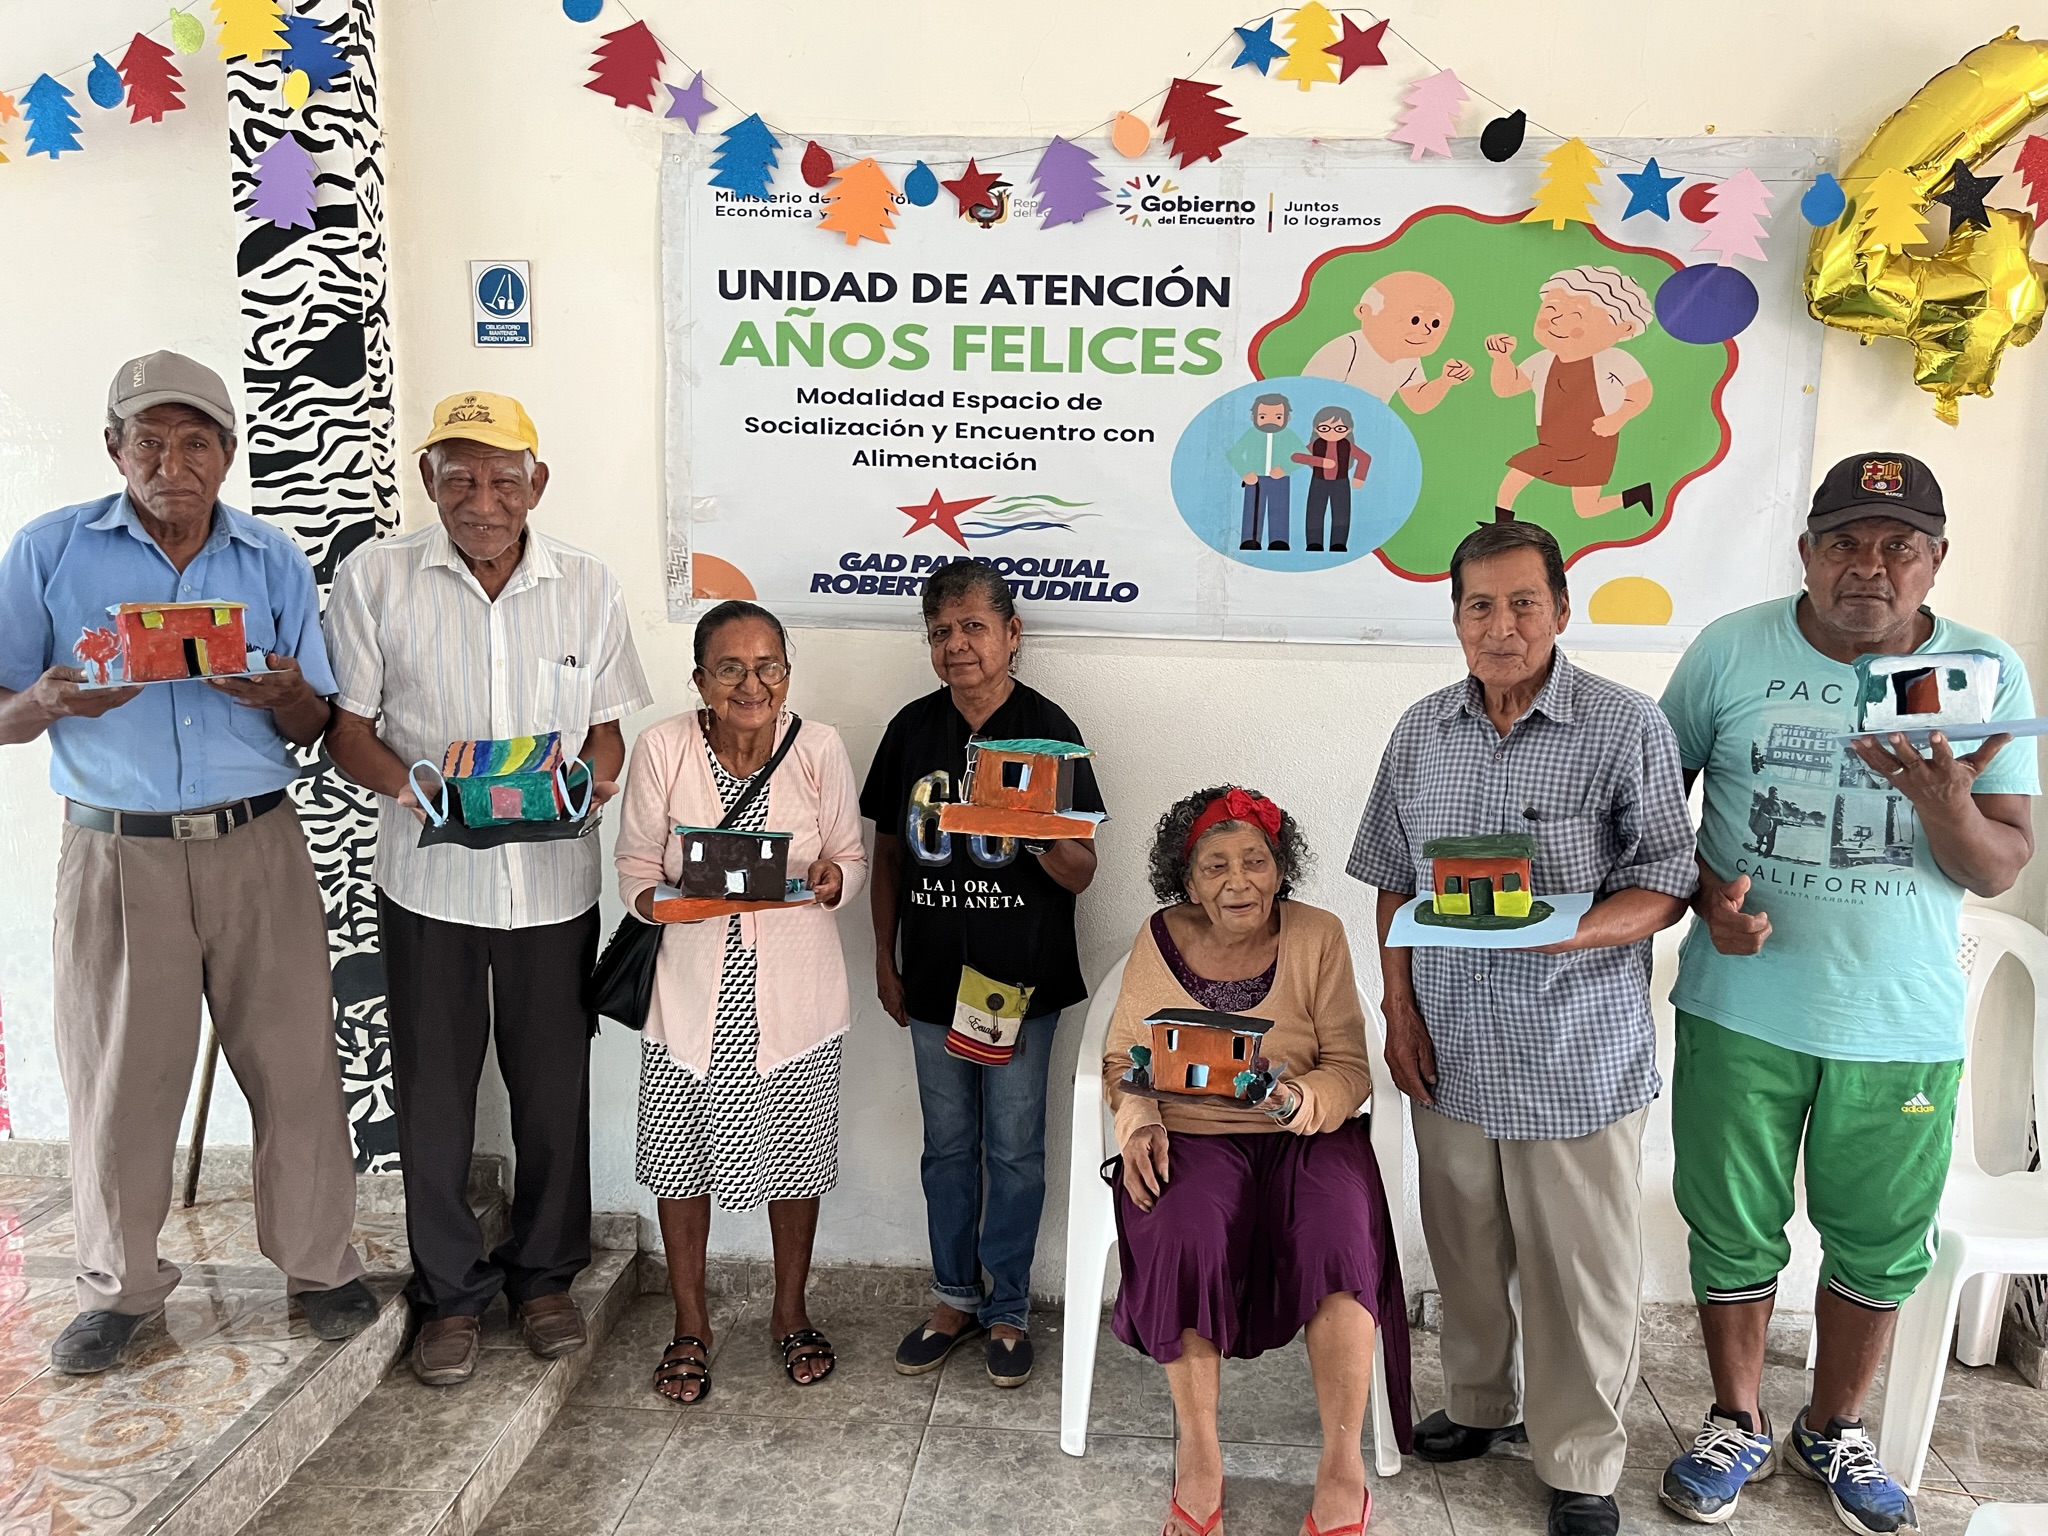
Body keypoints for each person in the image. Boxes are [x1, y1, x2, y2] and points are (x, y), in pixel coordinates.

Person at [1655, 453, 2037, 1536]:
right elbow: (1648, 813)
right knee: (1731, 1225)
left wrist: (1945, 802)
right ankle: (1734, 1419)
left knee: (1877, 1238)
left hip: (1899, 1018)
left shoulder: (1983, 671)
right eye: (1844, 543)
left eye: (1896, 547)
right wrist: (1705, 900)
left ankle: (1833, 1428)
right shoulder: (1729, 651)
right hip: (1739, 1004)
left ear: (1935, 560)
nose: (1868, 566)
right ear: (1806, 553)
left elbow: (1999, 864)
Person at [0, 351, 374, 1373]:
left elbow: (317, 721)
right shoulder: (48, 551)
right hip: (118, 852)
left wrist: (286, 696)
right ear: (113, 448)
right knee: (120, 1081)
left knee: (296, 1066)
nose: (174, 462)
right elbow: (4, 711)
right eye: (151, 441)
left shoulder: (269, 558)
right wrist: (45, 701)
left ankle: (321, 1266)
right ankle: (118, 1290)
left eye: (196, 441)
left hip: (258, 842)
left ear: (227, 453)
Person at [1348, 521, 1696, 1536]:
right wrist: (1397, 1008)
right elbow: (1392, 879)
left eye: (1522, 604)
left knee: (1578, 1271)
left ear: (1560, 610)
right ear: (1455, 617)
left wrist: (1566, 931)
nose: (1500, 627)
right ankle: (1478, 1403)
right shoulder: (1421, 732)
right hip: (1450, 1044)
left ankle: (1580, 1461)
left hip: (1572, 1051)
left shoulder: (1624, 726)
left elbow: (1668, 880)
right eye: (1479, 606)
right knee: (1463, 1244)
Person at [324, 391, 651, 1386]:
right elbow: (349, 733)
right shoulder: (375, 578)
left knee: (551, 1094)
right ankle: (451, 1294)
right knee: (432, 1095)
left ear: (535, 484)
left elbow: (606, 733)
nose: (481, 499)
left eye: (503, 478)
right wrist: (414, 792)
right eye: (458, 477)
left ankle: (544, 1279)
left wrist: (592, 782)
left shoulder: (588, 586)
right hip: (429, 884)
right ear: (427, 481)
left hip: (551, 886)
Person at [1105, 786, 1412, 1536]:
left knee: (1338, 1239)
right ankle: (1199, 1459)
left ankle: (1341, 1470)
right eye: (1215, 866)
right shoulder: (1158, 936)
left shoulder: (1318, 934)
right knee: (1182, 1231)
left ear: (1281, 869)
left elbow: (1350, 1068)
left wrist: (1297, 1101)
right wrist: (1139, 1120)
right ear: (1187, 879)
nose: (1237, 881)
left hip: (1307, 1136)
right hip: (1193, 1134)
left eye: (1255, 861)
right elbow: (1124, 1057)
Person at [613, 600, 867, 1403]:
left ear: (787, 675)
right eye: (731, 669)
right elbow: (634, 868)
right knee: (678, 1157)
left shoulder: (818, 747)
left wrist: (833, 880)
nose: (752, 685)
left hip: (794, 1001)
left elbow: (850, 856)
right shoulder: (663, 747)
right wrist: (670, 903)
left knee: (793, 1159)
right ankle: (690, 1323)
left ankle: (790, 1313)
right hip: (690, 997)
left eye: (768, 668)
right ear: (700, 680)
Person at [862, 559, 1103, 1388]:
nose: (957, 646)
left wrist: (1028, 827)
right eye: (941, 632)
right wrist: (884, 957)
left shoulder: (1049, 732)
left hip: (1018, 986)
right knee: (947, 1149)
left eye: (973, 627)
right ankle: (953, 1298)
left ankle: (1008, 1310)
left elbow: (1082, 871)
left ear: (1012, 633)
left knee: (1015, 1151)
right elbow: (887, 855)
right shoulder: (911, 730)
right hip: (933, 981)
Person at [1485, 266, 1655, 522]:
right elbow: (1507, 387)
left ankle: (1635, 495)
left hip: (1594, 442)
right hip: (1552, 441)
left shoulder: (1616, 360)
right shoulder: (1543, 360)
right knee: (1518, 472)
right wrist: (1502, 359)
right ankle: (1501, 524)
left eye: (1576, 315)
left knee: (1586, 509)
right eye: (1551, 309)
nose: (1556, 321)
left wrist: (1618, 417)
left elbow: (1641, 393)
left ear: (1624, 328)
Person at [1302, 270, 1474, 412]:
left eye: (1435, 323)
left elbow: (1417, 402)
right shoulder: (1348, 348)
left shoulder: (1409, 359)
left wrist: (1445, 381)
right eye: (1415, 320)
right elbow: (1309, 394)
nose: (1426, 331)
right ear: (1365, 312)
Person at [1225, 393, 1303, 551]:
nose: (1270, 421)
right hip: (1255, 479)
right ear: (1253, 417)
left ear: (1287, 418)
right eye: (1263, 416)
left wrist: (1285, 468)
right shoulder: (1252, 434)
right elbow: (1234, 454)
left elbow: (1302, 456)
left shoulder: (1288, 435)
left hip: (1280, 479)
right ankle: (1250, 539)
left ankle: (1279, 540)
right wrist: (1245, 471)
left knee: (1279, 509)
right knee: (1252, 509)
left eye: (1278, 417)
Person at [1291, 405, 1371, 553]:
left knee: (1341, 514)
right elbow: (1297, 457)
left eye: (1339, 428)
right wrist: (1321, 462)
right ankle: (1314, 543)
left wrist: (1359, 477)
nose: (1332, 432)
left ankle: (1338, 543)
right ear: (1316, 429)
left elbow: (1365, 458)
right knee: (1314, 513)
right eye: (1325, 428)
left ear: (1349, 429)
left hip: (1341, 483)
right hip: (1318, 482)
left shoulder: (1347, 445)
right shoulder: (1316, 444)